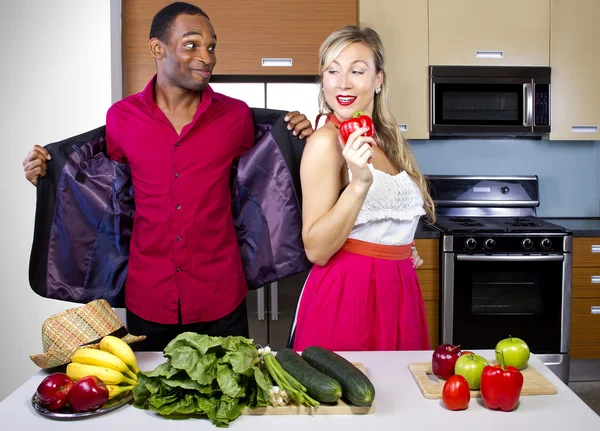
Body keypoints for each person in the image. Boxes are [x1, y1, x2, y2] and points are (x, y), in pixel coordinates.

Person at [22, 2, 314, 351]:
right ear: (157, 48)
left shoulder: (235, 117)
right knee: (153, 403)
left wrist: (294, 133)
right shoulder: (121, 118)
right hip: (148, 300)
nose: (207, 56)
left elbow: (269, 168)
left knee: (231, 400)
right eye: (192, 44)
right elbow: (103, 185)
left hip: (222, 298)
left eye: (211, 46)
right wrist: (49, 174)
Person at [290, 26, 435, 352]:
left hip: (398, 290)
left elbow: (377, 224)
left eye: (357, 71)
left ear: (378, 79)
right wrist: (359, 185)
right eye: (333, 71)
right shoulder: (326, 142)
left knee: (400, 398)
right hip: (349, 295)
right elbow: (316, 248)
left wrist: (401, 242)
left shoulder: (386, 138)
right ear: (323, 79)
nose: (343, 83)